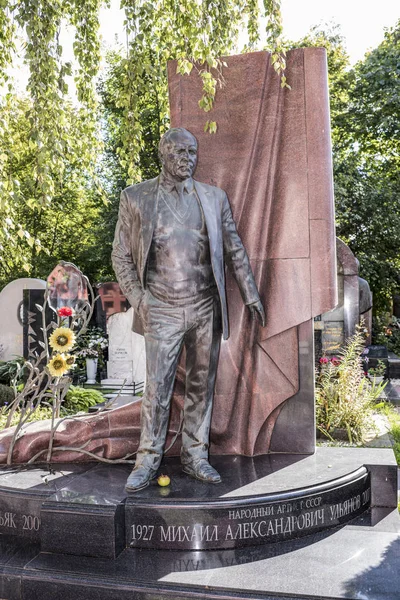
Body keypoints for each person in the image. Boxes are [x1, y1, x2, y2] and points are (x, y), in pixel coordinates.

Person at [112, 127, 265, 492]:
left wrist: (251, 295)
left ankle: (196, 456)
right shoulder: (136, 197)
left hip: (204, 306)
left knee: (201, 386)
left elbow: (234, 249)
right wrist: (140, 299)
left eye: (192, 152)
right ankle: (148, 459)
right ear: (163, 155)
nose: (188, 159)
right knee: (157, 389)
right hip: (160, 307)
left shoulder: (214, 198)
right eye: (180, 152)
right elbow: (120, 256)